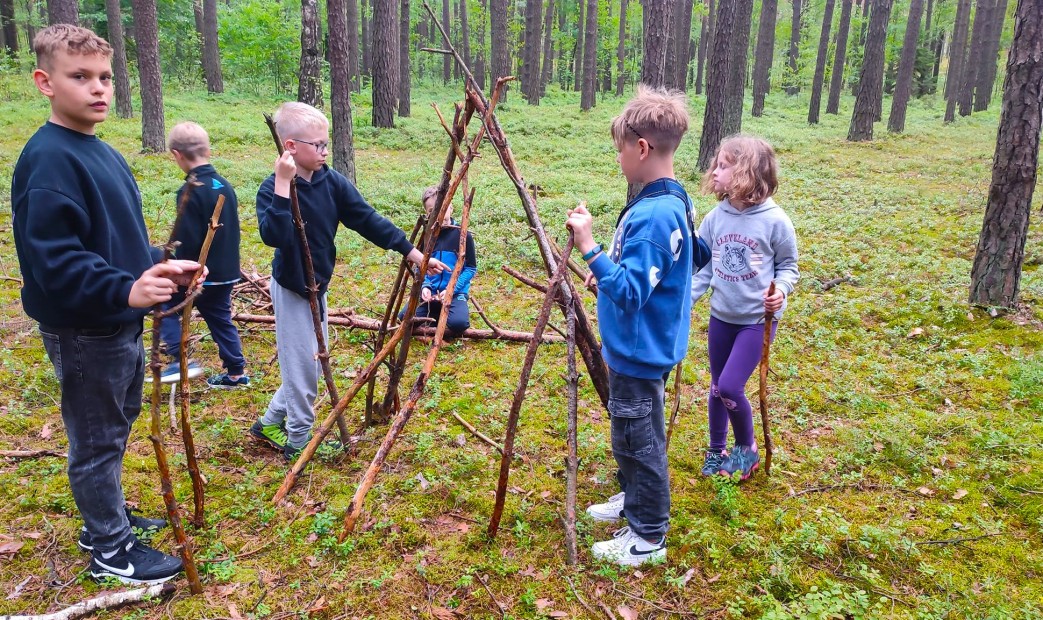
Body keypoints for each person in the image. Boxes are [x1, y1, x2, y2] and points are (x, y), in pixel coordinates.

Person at [10, 24, 197, 584]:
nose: (98, 89)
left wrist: (161, 263)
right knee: (95, 440)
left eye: (106, 77)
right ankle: (110, 551)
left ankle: (104, 520)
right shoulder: (48, 161)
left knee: (115, 425)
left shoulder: (101, 152)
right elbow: (55, 261)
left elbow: (117, 240)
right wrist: (124, 289)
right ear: (45, 82)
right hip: (85, 328)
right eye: (81, 77)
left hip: (117, 322)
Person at [252, 102, 446, 462]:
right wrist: (282, 182)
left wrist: (412, 252)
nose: (325, 151)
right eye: (317, 145)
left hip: (318, 286)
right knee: (303, 369)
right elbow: (274, 235)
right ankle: (298, 441)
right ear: (290, 147)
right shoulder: (272, 189)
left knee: (306, 364)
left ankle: (268, 423)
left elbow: (365, 218)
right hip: (293, 288)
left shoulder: (331, 181)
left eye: (327, 144)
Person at [565, 85, 694, 567]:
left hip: (639, 352)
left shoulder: (657, 214)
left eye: (620, 148)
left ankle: (647, 535)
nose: (618, 157)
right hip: (644, 345)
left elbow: (633, 291)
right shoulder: (670, 200)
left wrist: (590, 248)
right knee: (633, 433)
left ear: (641, 148)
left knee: (639, 440)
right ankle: (634, 498)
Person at [690, 135, 799, 480]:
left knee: (730, 386)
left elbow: (789, 267)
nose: (716, 171)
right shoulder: (714, 218)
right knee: (716, 386)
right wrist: (684, 301)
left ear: (748, 173)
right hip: (722, 316)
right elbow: (703, 267)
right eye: (716, 165)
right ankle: (715, 449)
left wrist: (780, 291)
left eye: (725, 166)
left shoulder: (775, 220)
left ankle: (745, 451)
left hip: (756, 321)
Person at [153, 121, 249, 388]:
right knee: (220, 317)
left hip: (200, 272)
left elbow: (187, 238)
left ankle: (177, 358)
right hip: (227, 271)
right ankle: (236, 373)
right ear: (207, 150)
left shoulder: (189, 191)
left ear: (176, 155)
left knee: (164, 304)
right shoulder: (223, 185)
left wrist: (175, 268)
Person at [402, 186, 477, 337]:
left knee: (459, 324)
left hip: (455, 294)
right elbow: (419, 266)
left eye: (443, 208)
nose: (439, 215)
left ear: (451, 207)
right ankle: (435, 311)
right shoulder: (427, 236)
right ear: (427, 214)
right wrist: (425, 286)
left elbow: (470, 268)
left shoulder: (462, 235)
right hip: (431, 295)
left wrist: (452, 289)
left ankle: (443, 312)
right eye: (432, 211)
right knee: (404, 318)